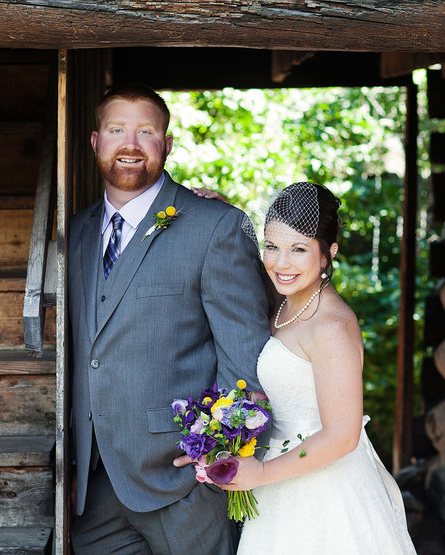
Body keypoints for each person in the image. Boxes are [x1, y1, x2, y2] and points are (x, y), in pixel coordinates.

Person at [67, 83, 270, 554]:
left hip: (187, 486)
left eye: (146, 131)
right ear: (96, 142)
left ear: (167, 144)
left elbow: (245, 355)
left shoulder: (214, 226)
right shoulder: (75, 233)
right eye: (117, 130)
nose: (130, 144)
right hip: (95, 492)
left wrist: (221, 459)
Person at [182, 182, 416, 553]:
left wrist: (262, 473)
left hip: (323, 491)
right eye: (272, 247)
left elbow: (342, 435)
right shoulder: (289, 301)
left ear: (329, 253)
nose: (280, 263)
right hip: (282, 482)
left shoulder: (331, 327)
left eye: (299, 249)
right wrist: (224, 214)